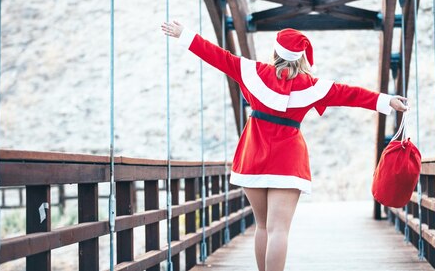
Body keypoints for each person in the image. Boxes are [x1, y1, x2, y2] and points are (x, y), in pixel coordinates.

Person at [161, 21, 408, 271]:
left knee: (263, 226)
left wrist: (185, 35)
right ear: (301, 58)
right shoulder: (311, 86)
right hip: (288, 161)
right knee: (279, 230)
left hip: (253, 155)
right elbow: (351, 94)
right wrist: (388, 100)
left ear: (276, 52)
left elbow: (217, 55)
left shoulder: (251, 72)